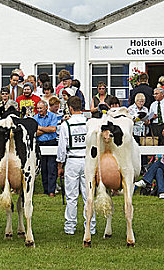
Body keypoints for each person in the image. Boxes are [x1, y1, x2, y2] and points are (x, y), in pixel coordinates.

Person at [57, 96, 96, 235]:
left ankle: (70, 226)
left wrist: (60, 165)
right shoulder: (89, 123)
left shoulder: (65, 125)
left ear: (70, 108)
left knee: (71, 196)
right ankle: (91, 226)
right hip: (87, 160)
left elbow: (62, 148)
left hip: (72, 160)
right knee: (88, 195)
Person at [34, 100, 58, 197]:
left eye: (41, 108)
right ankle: (45, 189)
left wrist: (41, 128)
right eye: (38, 108)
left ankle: (51, 190)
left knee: (51, 167)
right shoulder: (35, 118)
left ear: (46, 108)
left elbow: (53, 129)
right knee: (43, 168)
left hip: (51, 143)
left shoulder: (53, 116)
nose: (39, 110)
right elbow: (35, 132)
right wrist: (47, 129)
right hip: (40, 144)